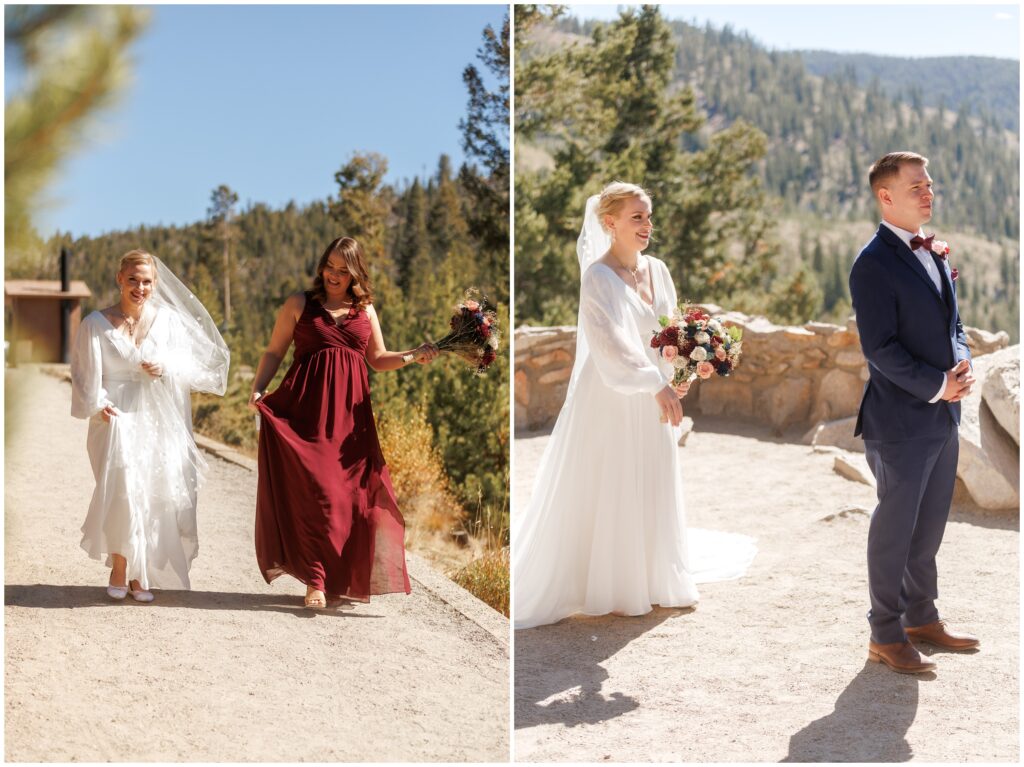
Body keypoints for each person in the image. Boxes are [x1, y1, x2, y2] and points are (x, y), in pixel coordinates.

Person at [512, 182, 757, 630]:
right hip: (611, 395)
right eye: (636, 218)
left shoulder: (658, 270)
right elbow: (612, 347)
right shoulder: (597, 277)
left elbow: (671, 331)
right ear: (610, 224)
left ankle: (654, 576)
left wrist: (679, 375)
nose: (647, 225)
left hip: (655, 392)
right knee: (617, 480)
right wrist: (652, 384)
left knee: (653, 475)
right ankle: (616, 587)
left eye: (648, 216)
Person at [250, 236, 438, 609]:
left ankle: (334, 575)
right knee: (320, 492)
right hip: (304, 412)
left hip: (351, 420)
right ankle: (316, 580)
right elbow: (274, 351)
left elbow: (379, 358)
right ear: (322, 266)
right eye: (330, 267)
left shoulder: (365, 311)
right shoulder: (299, 304)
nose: (334, 275)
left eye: (343, 270)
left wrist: (414, 356)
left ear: (355, 273)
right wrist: (258, 389)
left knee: (349, 499)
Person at [850, 151, 978, 674]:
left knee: (928, 527)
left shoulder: (936, 251)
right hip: (900, 421)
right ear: (886, 196)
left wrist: (963, 358)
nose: (928, 192)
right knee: (894, 529)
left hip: (943, 417)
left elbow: (955, 321)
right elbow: (879, 349)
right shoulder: (872, 263)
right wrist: (937, 385)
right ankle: (884, 632)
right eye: (916, 186)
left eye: (929, 183)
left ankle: (921, 618)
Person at [71, 249, 229, 602]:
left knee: (153, 491)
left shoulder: (169, 322)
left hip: (158, 417)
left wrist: (166, 368)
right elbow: (83, 375)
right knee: (124, 488)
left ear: (155, 284)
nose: (139, 287)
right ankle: (120, 566)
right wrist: (98, 405)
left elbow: (198, 367)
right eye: (132, 280)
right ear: (119, 279)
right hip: (115, 416)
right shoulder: (95, 324)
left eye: (146, 281)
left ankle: (141, 574)